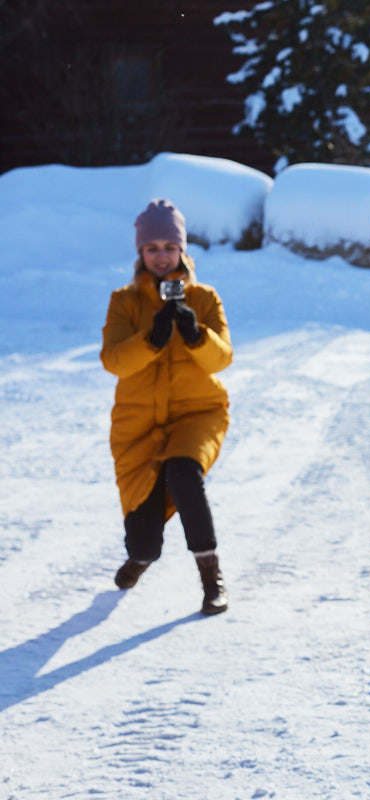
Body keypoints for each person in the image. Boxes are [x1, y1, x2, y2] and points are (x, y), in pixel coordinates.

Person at [100, 198, 233, 616]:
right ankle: (140, 557)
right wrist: (152, 339)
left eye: (169, 247)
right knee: (145, 539)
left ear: (182, 250)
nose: (161, 256)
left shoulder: (205, 297)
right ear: (140, 252)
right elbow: (113, 360)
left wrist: (195, 333)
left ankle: (212, 580)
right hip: (138, 425)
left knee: (184, 473)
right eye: (152, 247)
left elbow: (222, 358)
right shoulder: (124, 301)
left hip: (198, 414)